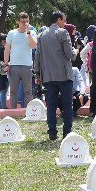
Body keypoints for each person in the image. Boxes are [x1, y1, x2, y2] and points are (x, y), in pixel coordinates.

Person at [33, 11, 76, 139]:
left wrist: (37, 74)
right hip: (63, 75)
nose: (65, 23)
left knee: (51, 105)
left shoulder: (41, 35)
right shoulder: (63, 33)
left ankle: (52, 132)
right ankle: (67, 132)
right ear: (58, 20)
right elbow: (70, 55)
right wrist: (76, 51)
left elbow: (38, 56)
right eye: (64, 20)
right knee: (67, 105)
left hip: (48, 76)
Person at [4, 12, 38, 109]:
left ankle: (28, 111)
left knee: (28, 91)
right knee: (13, 91)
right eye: (23, 22)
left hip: (27, 66)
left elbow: (33, 46)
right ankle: (13, 111)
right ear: (18, 22)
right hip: (14, 66)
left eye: (27, 22)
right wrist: (6, 64)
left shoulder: (32, 33)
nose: (25, 24)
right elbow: (7, 49)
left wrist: (28, 33)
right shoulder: (12, 33)